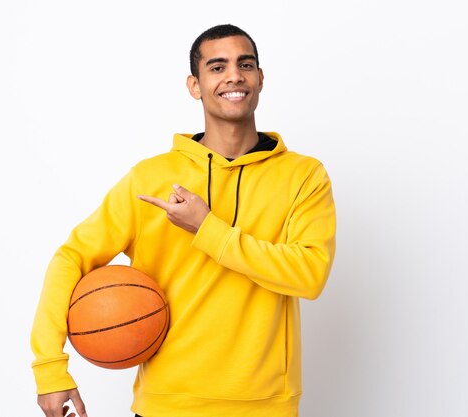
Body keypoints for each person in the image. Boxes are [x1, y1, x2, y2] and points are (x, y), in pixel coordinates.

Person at [31, 24, 336, 417]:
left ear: (260, 79)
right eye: (217, 66)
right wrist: (49, 369)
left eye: (245, 64)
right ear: (195, 85)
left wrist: (207, 228)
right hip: (167, 405)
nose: (234, 76)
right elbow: (70, 258)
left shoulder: (303, 176)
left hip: (265, 406)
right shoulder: (151, 178)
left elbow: (309, 276)